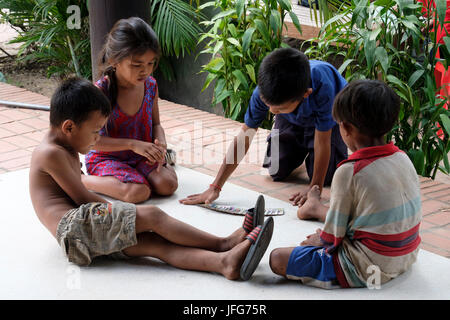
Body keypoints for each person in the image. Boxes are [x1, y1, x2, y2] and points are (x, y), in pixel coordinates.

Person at [29, 77, 274, 281]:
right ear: (69, 127)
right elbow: (83, 198)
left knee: (157, 245)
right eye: (95, 132)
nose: (96, 140)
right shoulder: (50, 153)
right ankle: (222, 244)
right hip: (75, 226)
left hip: (82, 235)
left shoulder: (64, 147)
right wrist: (128, 212)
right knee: (152, 216)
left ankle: (224, 263)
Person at [268, 80, 422, 289]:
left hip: (368, 268)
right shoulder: (402, 157)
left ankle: (315, 209)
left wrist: (318, 240)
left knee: (278, 258)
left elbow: (332, 237)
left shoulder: (349, 171)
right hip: (407, 255)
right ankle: (316, 209)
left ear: (346, 128)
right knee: (361, 211)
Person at [180, 47, 348, 215]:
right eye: (268, 106)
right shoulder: (265, 94)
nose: (272, 111)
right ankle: (303, 150)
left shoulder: (323, 87)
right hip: (290, 115)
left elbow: (322, 141)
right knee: (276, 169)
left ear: (306, 94)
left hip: (328, 118)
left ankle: (311, 153)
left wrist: (313, 191)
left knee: (326, 178)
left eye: (278, 108)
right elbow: (244, 137)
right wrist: (215, 186)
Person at [82, 17, 177, 204]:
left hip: (141, 154)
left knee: (168, 185)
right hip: (106, 157)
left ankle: (143, 172)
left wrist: (161, 143)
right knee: (138, 192)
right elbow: (91, 142)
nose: (146, 71)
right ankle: (82, 180)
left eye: (151, 63)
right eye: (137, 65)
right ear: (114, 61)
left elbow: (156, 124)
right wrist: (133, 144)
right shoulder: (101, 91)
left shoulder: (150, 86)